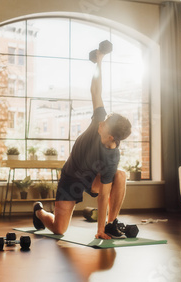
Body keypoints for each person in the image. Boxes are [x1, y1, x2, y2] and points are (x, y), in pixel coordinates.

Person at [32, 49, 132, 239]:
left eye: (105, 125)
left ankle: (111, 225)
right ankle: (39, 212)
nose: (100, 123)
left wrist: (100, 229)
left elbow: (104, 195)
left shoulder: (112, 156)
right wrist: (99, 62)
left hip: (93, 179)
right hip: (71, 178)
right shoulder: (99, 121)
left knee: (120, 176)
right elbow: (96, 90)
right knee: (59, 229)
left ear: (112, 137)